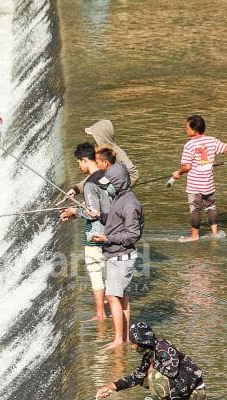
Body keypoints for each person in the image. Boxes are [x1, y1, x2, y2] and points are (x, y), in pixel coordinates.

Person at [95, 322, 206, 400]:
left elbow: (172, 371)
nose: (133, 347)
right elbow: (137, 377)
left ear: (141, 343)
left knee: (153, 375)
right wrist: (111, 387)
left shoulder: (164, 347)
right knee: (144, 378)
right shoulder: (149, 354)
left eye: (134, 343)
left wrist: (153, 367)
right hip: (182, 389)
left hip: (194, 393)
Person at [89, 161, 143, 349]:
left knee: (112, 297)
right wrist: (99, 215)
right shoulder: (120, 198)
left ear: (118, 182)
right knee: (122, 297)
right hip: (117, 255)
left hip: (121, 257)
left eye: (110, 183)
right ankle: (126, 338)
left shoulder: (129, 204)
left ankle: (119, 340)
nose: (107, 187)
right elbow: (114, 221)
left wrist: (106, 238)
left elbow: (132, 234)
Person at [60, 142, 110, 321]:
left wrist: (75, 212)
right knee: (110, 277)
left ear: (85, 160)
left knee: (96, 274)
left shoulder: (89, 184)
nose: (79, 166)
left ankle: (100, 314)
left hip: (95, 236)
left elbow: (93, 213)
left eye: (78, 163)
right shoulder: (108, 177)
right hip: (112, 234)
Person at [170, 114, 227, 242]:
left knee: (195, 209)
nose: (186, 130)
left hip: (195, 185)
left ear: (194, 130)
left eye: (187, 128)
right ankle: (215, 233)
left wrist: (178, 173)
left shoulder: (189, 146)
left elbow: (187, 167)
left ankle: (195, 236)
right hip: (209, 184)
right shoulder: (212, 140)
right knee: (211, 207)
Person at [86, 119, 139, 185]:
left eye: (95, 139)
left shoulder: (118, 153)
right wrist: (75, 189)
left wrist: (116, 189)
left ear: (102, 138)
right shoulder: (99, 154)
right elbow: (93, 176)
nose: (93, 142)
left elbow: (134, 175)